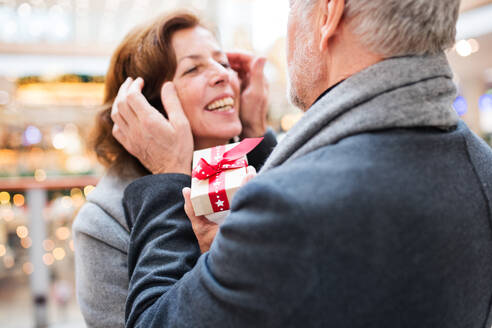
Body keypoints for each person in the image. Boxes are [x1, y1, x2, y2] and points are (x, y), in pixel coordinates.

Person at [117, 0, 492, 327]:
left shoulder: (286, 208)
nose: (223, 74)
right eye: (194, 67)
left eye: (292, 6)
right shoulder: (481, 164)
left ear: (329, 12)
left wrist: (167, 178)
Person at [71, 11, 274, 328]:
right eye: (193, 68)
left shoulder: (255, 156)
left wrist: (257, 136)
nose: (223, 75)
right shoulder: (103, 221)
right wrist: (170, 176)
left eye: (223, 63)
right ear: (146, 108)